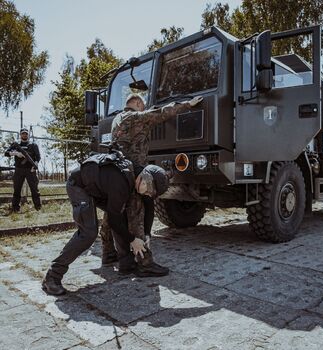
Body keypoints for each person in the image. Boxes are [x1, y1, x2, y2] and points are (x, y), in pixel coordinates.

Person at [42, 151, 170, 296]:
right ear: (145, 179)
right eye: (149, 191)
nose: (148, 194)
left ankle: (126, 263)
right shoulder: (121, 183)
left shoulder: (140, 174)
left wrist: (147, 234)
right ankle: (52, 276)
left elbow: (149, 205)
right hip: (78, 186)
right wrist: (133, 240)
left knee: (120, 213)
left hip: (98, 187)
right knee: (88, 233)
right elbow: (114, 222)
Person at [99, 94, 203, 271]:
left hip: (117, 172)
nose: (144, 108)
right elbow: (162, 113)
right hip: (134, 174)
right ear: (138, 103)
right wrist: (187, 104)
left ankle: (108, 253)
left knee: (112, 212)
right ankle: (145, 263)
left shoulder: (116, 119)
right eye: (143, 105)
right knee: (136, 214)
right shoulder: (136, 117)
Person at [4, 128, 41, 211]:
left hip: (30, 170)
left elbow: (38, 157)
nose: (24, 135)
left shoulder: (33, 145)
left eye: (26, 133)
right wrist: (16, 153)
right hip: (19, 170)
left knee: (34, 189)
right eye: (23, 133)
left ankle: (38, 207)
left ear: (28, 135)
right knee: (17, 189)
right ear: (20, 135)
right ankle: (15, 208)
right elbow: (6, 153)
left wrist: (34, 166)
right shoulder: (16, 144)